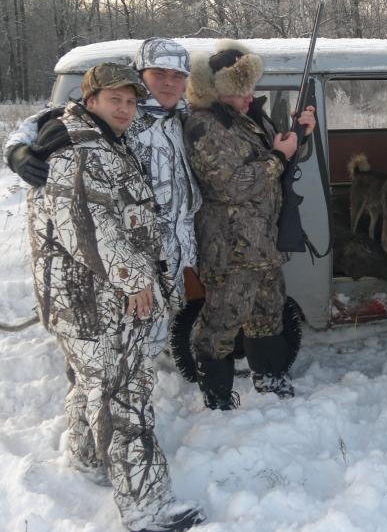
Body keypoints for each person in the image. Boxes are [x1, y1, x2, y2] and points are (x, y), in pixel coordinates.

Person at [26, 63, 204, 532]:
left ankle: (87, 457)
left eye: (129, 101)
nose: (124, 109)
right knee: (125, 398)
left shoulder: (103, 140)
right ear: (91, 101)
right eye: (114, 100)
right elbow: (88, 229)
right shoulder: (79, 150)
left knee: (95, 385)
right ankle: (148, 508)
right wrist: (136, 280)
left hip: (88, 299)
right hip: (95, 301)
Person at [5, 38, 203, 384]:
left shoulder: (182, 115)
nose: (169, 83)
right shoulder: (121, 112)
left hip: (179, 243)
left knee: (160, 324)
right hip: (133, 248)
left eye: (177, 76)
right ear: (140, 75)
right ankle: (107, 391)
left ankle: (139, 386)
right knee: (120, 341)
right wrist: (17, 151)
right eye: (159, 74)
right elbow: (53, 120)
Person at [183, 40, 315, 410]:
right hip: (230, 250)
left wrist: (301, 136)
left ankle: (270, 379)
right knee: (221, 325)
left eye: (250, 88)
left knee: (268, 315)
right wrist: (278, 156)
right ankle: (218, 398)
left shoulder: (249, 118)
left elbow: (281, 160)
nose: (249, 97)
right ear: (217, 91)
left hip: (263, 244)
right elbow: (232, 185)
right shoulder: (204, 125)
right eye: (240, 91)